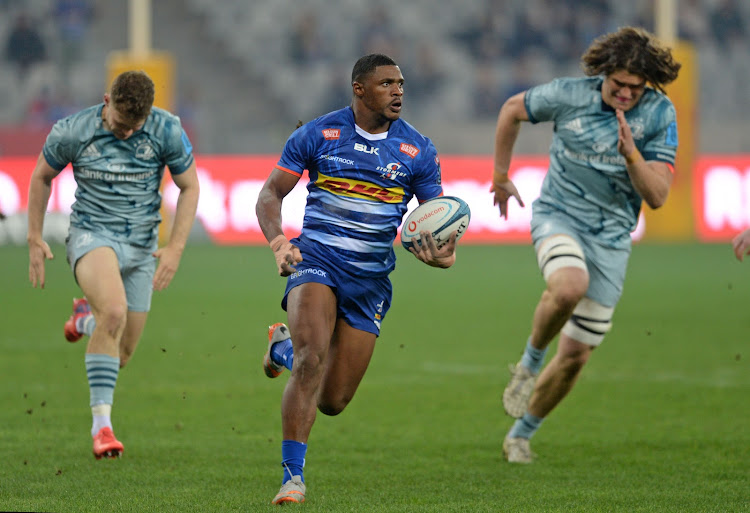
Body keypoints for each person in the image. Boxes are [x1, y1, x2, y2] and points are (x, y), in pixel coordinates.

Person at [255, 53, 458, 504]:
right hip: (317, 262)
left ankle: (279, 347)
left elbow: (434, 224)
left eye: (401, 83)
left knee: (333, 401)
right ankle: (292, 477)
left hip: (370, 283)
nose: (398, 91)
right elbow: (270, 194)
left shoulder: (418, 150)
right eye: (387, 83)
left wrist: (440, 256)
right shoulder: (319, 133)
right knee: (312, 359)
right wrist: (279, 243)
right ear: (359, 89)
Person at [490, 27, 681, 463]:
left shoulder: (659, 115)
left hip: (612, 237)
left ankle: (521, 434)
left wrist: (632, 154)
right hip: (559, 214)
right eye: (619, 84)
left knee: (576, 355)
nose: (627, 94)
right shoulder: (568, 94)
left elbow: (657, 197)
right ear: (604, 75)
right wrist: (501, 174)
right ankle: (528, 364)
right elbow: (510, 110)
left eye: (636, 87)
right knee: (569, 286)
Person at [27, 70, 200, 459]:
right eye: (120, 123)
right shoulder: (74, 129)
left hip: (141, 249)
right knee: (116, 312)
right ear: (107, 101)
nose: (125, 132)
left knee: (120, 354)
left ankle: (85, 320)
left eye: (133, 126)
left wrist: (174, 248)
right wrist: (34, 236)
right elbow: (41, 176)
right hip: (92, 236)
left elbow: (190, 186)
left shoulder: (166, 129)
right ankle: (102, 429)